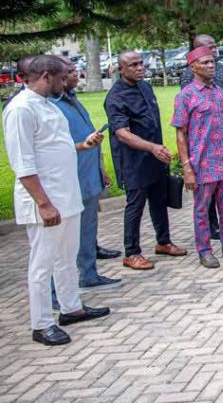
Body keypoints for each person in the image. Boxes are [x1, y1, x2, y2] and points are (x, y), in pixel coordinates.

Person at [4, 55, 110, 346]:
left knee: (66, 258)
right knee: (43, 264)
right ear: (46, 76)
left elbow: (53, 148)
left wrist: (82, 144)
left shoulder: (49, 106)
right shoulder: (21, 110)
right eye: (63, 77)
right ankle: (41, 324)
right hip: (45, 200)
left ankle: (71, 307)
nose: (67, 82)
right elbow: (23, 164)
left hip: (68, 195)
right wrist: (43, 203)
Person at [172, 47, 223, 268]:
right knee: (202, 209)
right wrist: (187, 167)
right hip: (203, 162)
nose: (211, 66)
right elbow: (180, 134)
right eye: (205, 62)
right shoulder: (186, 96)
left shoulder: (219, 91)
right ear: (193, 66)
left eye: (212, 62)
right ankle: (205, 250)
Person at [105, 50, 186, 271]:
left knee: (159, 201)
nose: (140, 68)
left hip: (155, 157)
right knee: (135, 206)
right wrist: (151, 147)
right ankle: (131, 253)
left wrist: (157, 149)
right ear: (121, 69)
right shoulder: (115, 97)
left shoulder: (145, 86)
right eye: (133, 65)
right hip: (134, 160)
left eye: (141, 64)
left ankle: (164, 241)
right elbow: (122, 133)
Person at [50, 60, 120, 288]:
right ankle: (73, 281)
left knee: (88, 227)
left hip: (89, 175)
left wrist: (100, 168)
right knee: (65, 238)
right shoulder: (50, 106)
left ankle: (89, 272)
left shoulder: (72, 100)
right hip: (70, 179)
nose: (74, 76)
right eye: (69, 73)